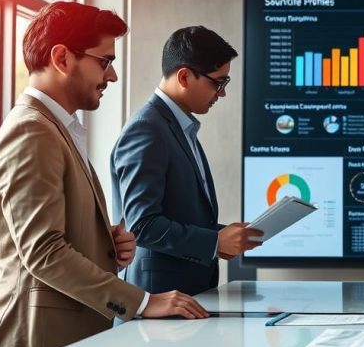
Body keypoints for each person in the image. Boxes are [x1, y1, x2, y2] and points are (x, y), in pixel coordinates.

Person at [0, 2, 208, 347]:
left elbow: (46, 238)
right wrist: (143, 301)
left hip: (57, 343)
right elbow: (43, 253)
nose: (111, 77)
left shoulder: (55, 129)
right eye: (105, 61)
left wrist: (102, 244)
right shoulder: (31, 131)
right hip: (33, 346)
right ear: (63, 58)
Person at [111, 26, 261, 296]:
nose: (222, 93)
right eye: (218, 82)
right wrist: (213, 242)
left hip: (183, 297)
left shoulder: (179, 127)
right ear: (184, 76)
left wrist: (223, 236)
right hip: (158, 300)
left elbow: (176, 214)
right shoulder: (147, 128)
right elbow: (141, 225)